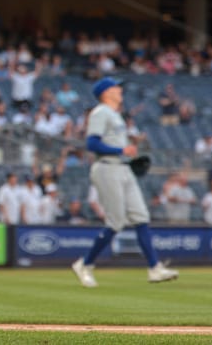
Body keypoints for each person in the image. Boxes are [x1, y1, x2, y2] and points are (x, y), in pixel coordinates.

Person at [72, 77, 178, 287]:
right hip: (106, 167)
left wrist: (128, 149)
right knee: (116, 222)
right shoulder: (100, 112)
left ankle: (154, 268)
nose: (120, 90)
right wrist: (121, 150)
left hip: (123, 167)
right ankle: (85, 264)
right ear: (106, 92)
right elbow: (92, 143)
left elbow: (115, 143)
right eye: (116, 87)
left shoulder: (115, 115)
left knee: (141, 216)